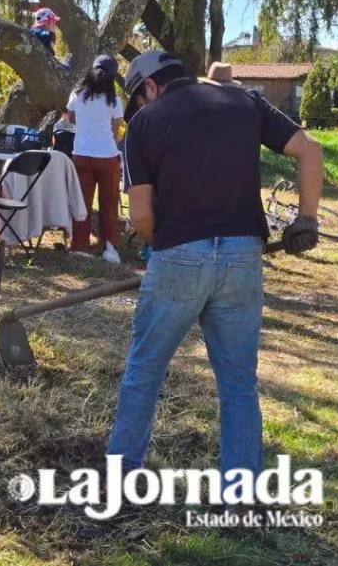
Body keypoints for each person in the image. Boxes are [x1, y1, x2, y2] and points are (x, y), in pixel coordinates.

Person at [107, 50, 323, 482]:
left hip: (179, 257)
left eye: (138, 100)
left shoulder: (144, 125)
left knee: (145, 370)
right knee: (238, 381)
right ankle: (240, 495)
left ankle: (121, 478)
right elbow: (310, 150)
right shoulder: (243, 101)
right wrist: (307, 218)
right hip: (244, 255)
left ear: (149, 87)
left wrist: (157, 246)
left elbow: (142, 217)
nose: (139, 109)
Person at [65, 54, 124, 263]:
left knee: (82, 203)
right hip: (107, 156)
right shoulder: (114, 100)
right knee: (108, 204)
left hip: (80, 155)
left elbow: (70, 118)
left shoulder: (77, 94)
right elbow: (115, 129)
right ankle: (109, 246)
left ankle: (79, 246)